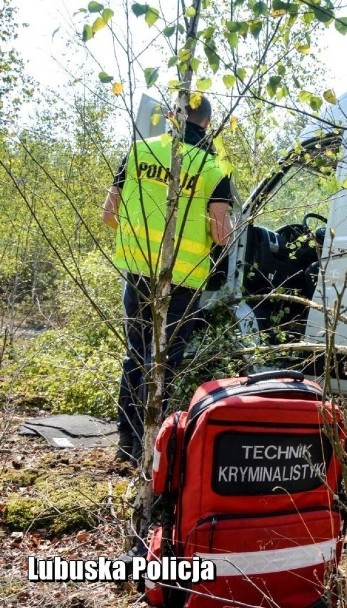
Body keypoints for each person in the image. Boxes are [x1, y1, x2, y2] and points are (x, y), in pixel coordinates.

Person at [102, 95, 233, 463]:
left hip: (138, 271)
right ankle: (154, 449)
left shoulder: (139, 151)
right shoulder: (213, 167)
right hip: (183, 280)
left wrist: (143, 236)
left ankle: (126, 442)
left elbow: (109, 215)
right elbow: (221, 234)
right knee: (166, 361)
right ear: (206, 124)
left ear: (173, 117)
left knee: (136, 354)